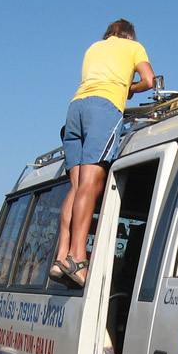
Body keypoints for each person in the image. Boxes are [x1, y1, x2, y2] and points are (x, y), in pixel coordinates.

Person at [52, 19, 155, 288]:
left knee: (75, 186)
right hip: (104, 107)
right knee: (91, 183)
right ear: (129, 36)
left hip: (76, 108)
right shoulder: (134, 48)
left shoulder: (93, 48)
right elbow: (149, 80)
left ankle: (60, 256)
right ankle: (77, 258)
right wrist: (128, 88)